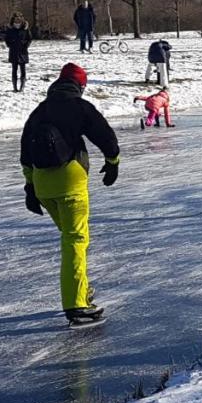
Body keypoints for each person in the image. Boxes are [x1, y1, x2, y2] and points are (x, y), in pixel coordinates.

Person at [20, 63, 120, 327]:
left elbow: (24, 152)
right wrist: (113, 162)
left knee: (73, 240)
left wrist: (30, 188)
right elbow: (105, 135)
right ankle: (76, 305)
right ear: (80, 85)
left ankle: (81, 289)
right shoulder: (79, 106)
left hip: (42, 186)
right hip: (70, 182)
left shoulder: (39, 111)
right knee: (75, 241)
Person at [5, 14, 32, 93]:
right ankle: (15, 87)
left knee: (23, 70)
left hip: (23, 52)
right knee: (14, 69)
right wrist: (10, 45)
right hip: (13, 52)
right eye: (16, 19)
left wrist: (25, 45)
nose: (17, 20)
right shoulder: (10, 29)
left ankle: (22, 87)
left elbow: (29, 38)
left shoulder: (25, 29)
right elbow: (7, 39)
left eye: (19, 19)